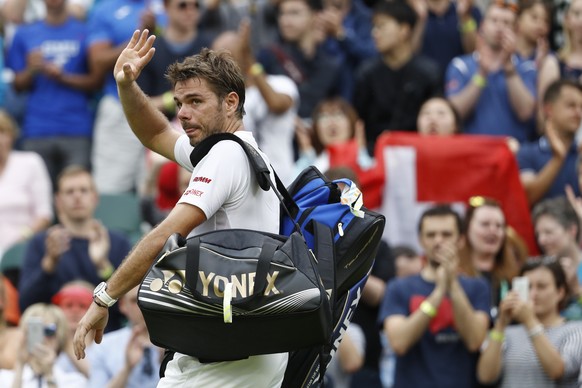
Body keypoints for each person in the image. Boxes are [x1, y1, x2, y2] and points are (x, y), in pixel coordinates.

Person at [73, 30, 288, 386]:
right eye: (179, 103)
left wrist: (104, 298)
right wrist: (126, 85)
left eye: (196, 102)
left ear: (230, 102)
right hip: (243, 342)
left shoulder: (225, 154)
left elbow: (165, 236)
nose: (183, 114)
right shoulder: (232, 149)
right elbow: (156, 134)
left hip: (229, 350)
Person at [379, 204, 490, 388]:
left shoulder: (478, 287)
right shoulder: (398, 287)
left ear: (461, 240)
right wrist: (439, 292)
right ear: (420, 240)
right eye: (430, 235)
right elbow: (399, 343)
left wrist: (452, 285)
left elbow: (475, 341)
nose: (438, 241)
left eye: (446, 234)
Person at [18, 165, 132, 332]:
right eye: (69, 192)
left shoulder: (117, 242)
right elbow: (26, 305)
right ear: (58, 200)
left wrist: (103, 266)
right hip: (55, 337)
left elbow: (128, 308)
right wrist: (49, 264)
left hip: (105, 337)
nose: (77, 196)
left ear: (95, 198)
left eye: (83, 190)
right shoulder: (43, 243)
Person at [6, 0, 103, 187]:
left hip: (76, 128)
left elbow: (96, 81)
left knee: (77, 193)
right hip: (37, 129)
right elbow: (16, 85)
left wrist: (63, 77)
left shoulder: (85, 31)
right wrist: (31, 70)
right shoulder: (25, 33)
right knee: (38, 198)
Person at [88, 0, 164, 194]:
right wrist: (141, 35)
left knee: (155, 191)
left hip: (163, 110)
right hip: (120, 106)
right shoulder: (106, 9)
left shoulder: (168, 6)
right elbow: (97, 61)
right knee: (110, 188)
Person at [212, 21, 300, 185]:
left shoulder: (281, 84)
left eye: (228, 53)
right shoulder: (221, 101)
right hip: (243, 186)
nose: (221, 63)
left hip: (284, 183)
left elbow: (275, 104)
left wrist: (249, 61)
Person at [477, 257, 582, 387]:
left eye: (541, 287)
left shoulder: (575, 330)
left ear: (560, 292)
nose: (533, 294)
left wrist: (530, 321)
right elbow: (485, 376)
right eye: (528, 287)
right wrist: (501, 324)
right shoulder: (508, 333)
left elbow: (558, 371)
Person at [354, 0, 441, 154]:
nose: (375, 33)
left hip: (419, 154)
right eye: (374, 27)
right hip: (374, 155)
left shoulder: (428, 72)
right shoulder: (367, 73)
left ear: (404, 30)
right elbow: (358, 119)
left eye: (381, 26)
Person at [445, 0, 538, 144]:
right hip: (472, 151)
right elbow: (454, 113)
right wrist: (481, 75)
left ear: (516, 30)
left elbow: (526, 113)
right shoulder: (461, 65)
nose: (499, 27)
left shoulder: (526, 67)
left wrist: (509, 69)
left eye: (507, 23)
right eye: (494, 20)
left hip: (513, 153)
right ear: (482, 25)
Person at [517, 79, 582, 205]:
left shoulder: (580, 154)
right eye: (571, 105)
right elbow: (527, 197)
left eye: (581, 107)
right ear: (549, 109)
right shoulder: (527, 153)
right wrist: (558, 159)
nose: (578, 113)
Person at [459, 196, 522, 319]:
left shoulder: (515, 277)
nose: (493, 231)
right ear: (467, 229)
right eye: (485, 224)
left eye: (499, 226)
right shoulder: (455, 275)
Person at [0, 109, 52, 256]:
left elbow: (44, 214)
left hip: (23, 248)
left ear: (11, 136)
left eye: (2, 132)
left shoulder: (30, 162)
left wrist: (23, 237)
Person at [88, 286, 161, 388]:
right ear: (122, 305)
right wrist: (127, 369)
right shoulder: (104, 345)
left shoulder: (177, 343)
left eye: (149, 298)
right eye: (134, 300)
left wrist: (166, 360)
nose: (143, 306)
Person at [0, 303, 87, 388]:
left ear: (60, 337)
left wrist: (50, 376)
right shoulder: (4, 378)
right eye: (34, 330)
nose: (42, 339)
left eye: (48, 331)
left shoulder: (75, 381)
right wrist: (19, 366)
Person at [295, 96, 372, 176]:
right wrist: (307, 153)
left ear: (353, 124)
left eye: (338, 115)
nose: (331, 123)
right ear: (315, 128)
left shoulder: (365, 162)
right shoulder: (311, 163)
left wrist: (361, 150)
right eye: (324, 117)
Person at [51, 280, 94, 378]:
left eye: (82, 305)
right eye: (68, 305)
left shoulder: (106, 347)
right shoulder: (48, 344)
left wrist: (68, 346)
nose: (75, 311)